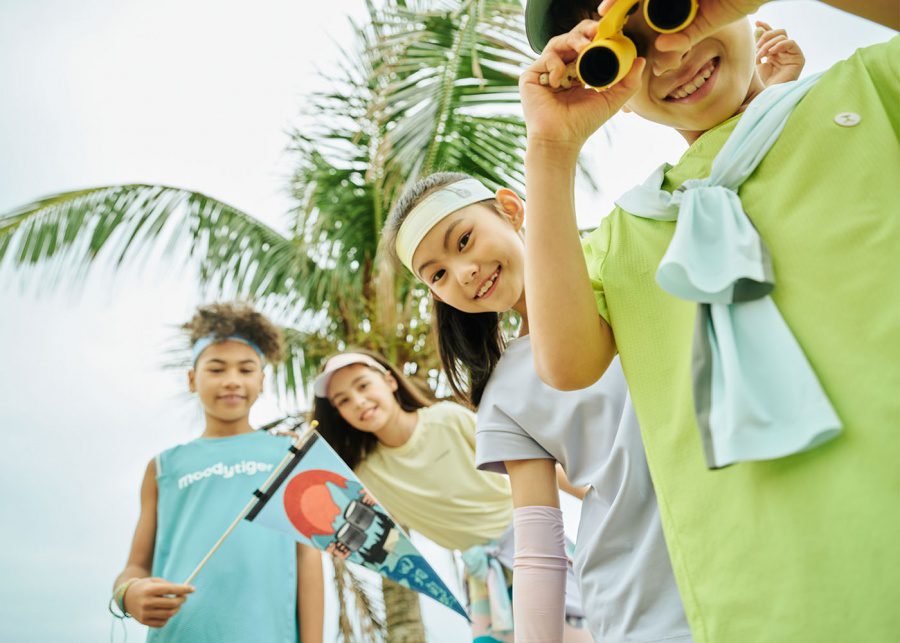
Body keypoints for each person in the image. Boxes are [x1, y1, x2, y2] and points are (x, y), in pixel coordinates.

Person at [519, 1, 899, 641]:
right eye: (630, 45)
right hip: (763, 599)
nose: (670, 53)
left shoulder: (865, 91)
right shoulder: (631, 231)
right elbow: (564, 362)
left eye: (669, 9)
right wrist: (551, 149)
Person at [380, 172, 691, 642]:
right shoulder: (502, 396)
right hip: (638, 604)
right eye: (437, 274)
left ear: (511, 208)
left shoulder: (626, 259)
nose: (462, 273)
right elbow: (539, 545)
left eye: (464, 240)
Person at [312, 349, 592, 642]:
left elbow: (529, 459)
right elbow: (325, 501)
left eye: (363, 385)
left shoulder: (446, 419)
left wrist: (596, 496)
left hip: (534, 546)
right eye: (343, 400)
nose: (358, 401)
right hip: (481, 575)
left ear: (390, 381)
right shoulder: (365, 474)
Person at [111, 302, 324, 642]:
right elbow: (136, 566)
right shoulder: (163, 467)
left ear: (262, 381)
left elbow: (307, 560)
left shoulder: (288, 455)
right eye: (216, 369)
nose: (231, 381)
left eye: (245, 369)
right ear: (192, 379)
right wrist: (129, 593)